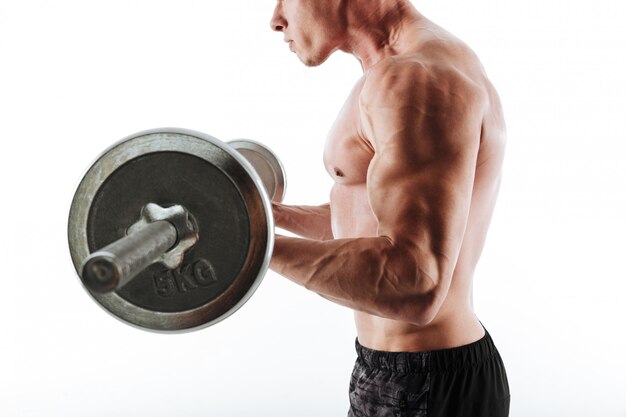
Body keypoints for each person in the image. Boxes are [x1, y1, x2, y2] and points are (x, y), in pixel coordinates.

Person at [268, 0, 510, 416]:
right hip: (396, 372)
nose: (276, 19)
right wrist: (264, 215)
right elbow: (370, 222)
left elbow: (415, 279)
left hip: (428, 382)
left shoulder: (417, 78)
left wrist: (248, 249)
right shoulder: (389, 72)